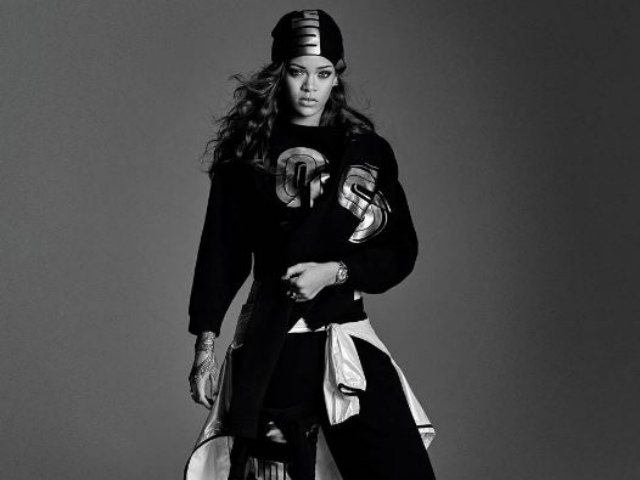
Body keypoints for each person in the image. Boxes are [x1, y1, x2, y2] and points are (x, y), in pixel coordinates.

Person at [184, 10, 436, 480]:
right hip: (273, 351)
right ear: (280, 74)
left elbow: (400, 251)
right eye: (298, 72)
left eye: (322, 74)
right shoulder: (246, 156)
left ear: (336, 77)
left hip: (346, 342)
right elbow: (221, 253)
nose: (309, 87)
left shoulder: (366, 154)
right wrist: (205, 347)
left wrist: (335, 272)